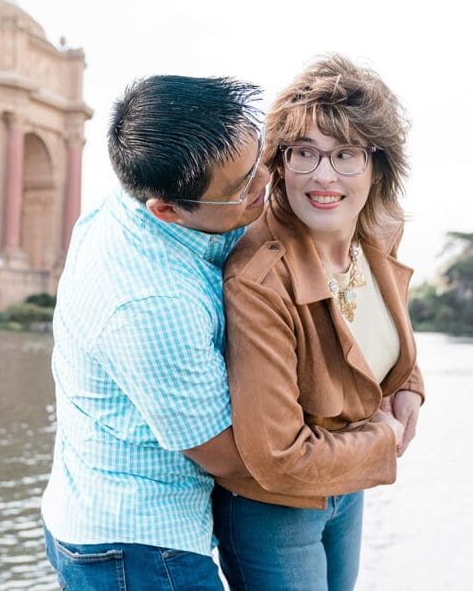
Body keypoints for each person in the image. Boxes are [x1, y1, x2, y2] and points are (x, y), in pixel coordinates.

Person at [41, 75, 271, 589]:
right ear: (166, 209)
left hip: (87, 510)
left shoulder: (135, 193)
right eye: (242, 188)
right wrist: (346, 456)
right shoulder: (153, 303)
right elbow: (223, 454)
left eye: (258, 155)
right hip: (138, 548)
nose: (265, 183)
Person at [212, 54, 426, 591]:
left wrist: (410, 389)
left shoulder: (378, 233)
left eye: (345, 154)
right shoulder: (260, 278)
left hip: (347, 486)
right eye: (304, 152)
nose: (323, 176)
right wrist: (385, 437)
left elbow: (387, 340)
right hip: (275, 508)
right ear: (279, 163)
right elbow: (278, 457)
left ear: (375, 164)